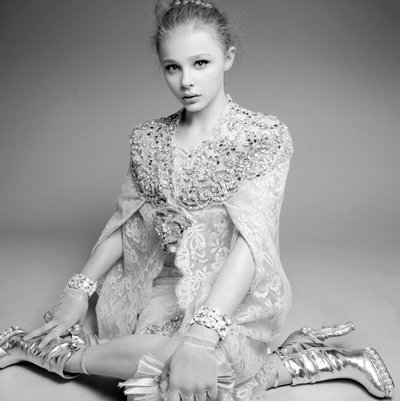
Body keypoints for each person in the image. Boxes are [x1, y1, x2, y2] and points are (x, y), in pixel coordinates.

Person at [0, 0, 394, 400]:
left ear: (228, 57)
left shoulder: (263, 136)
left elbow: (252, 241)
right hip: (166, 287)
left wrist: (203, 335)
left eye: (201, 63)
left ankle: (46, 353)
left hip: (234, 292)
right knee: (178, 382)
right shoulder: (147, 139)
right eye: (173, 67)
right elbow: (127, 224)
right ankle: (311, 361)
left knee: (193, 374)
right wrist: (77, 292)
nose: (186, 81)